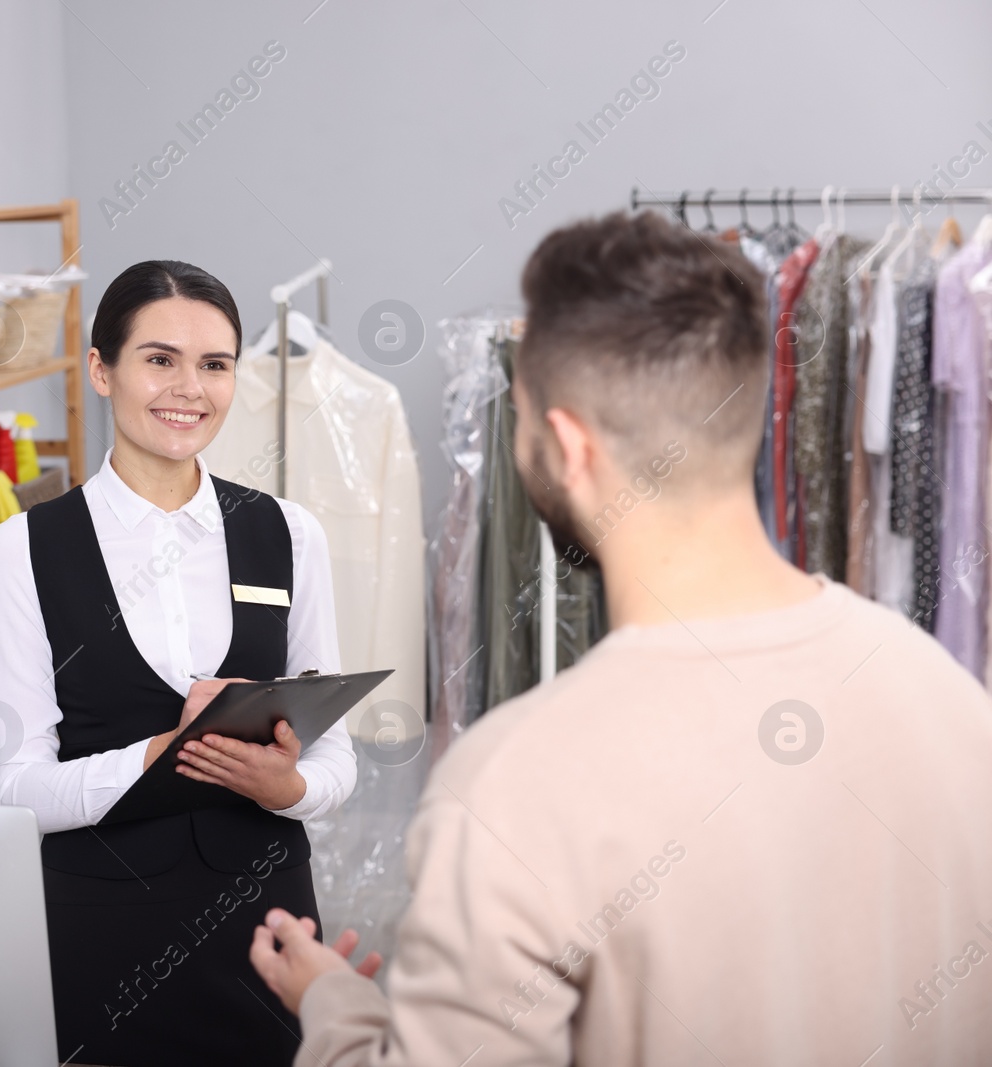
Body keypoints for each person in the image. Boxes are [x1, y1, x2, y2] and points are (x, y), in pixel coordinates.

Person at [249, 211, 992, 1064]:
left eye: (520, 416)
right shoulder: (951, 702)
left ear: (565, 444)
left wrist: (338, 1011)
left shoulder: (512, 790)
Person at [0, 259, 357, 1066]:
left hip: (267, 923)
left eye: (214, 364)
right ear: (100, 370)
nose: (189, 387)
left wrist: (286, 786)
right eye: (159, 359)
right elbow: (15, 787)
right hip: (101, 923)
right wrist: (162, 756)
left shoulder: (290, 534)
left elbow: (335, 761)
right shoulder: (24, 550)